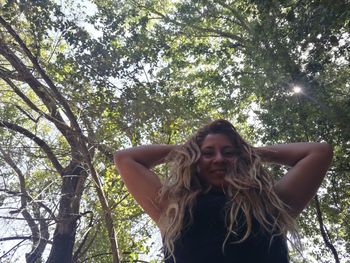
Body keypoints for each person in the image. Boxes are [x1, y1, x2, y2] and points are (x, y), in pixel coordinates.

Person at [113, 119, 333, 263]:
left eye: (228, 152)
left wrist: (250, 151)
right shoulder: (173, 208)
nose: (219, 159)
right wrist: (188, 150)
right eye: (208, 153)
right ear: (195, 161)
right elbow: (125, 158)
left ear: (241, 158)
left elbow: (318, 152)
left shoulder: (270, 204)